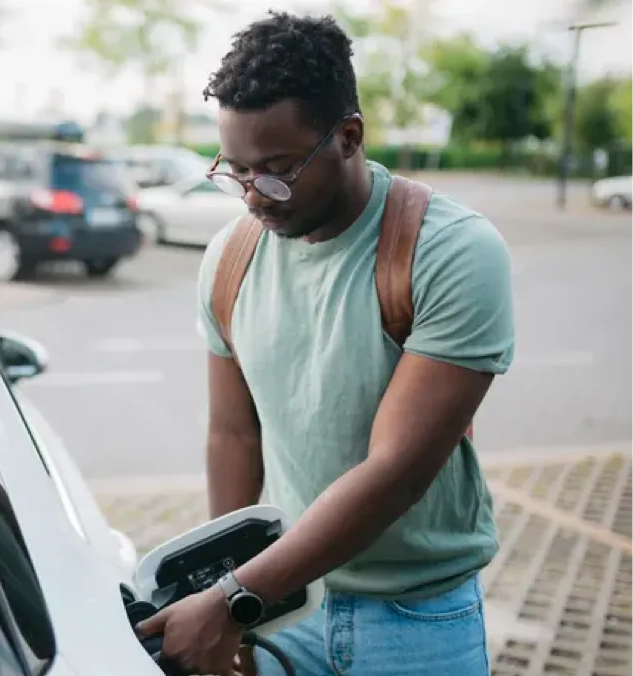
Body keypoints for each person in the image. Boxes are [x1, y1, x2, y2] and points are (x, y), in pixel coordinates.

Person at [136, 11, 514, 676]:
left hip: (416, 621)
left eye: (276, 170)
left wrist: (231, 601)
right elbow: (234, 435)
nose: (254, 196)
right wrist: (240, 605)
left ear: (348, 137)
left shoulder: (450, 252)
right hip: (282, 611)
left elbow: (394, 471)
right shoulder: (230, 259)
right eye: (237, 170)